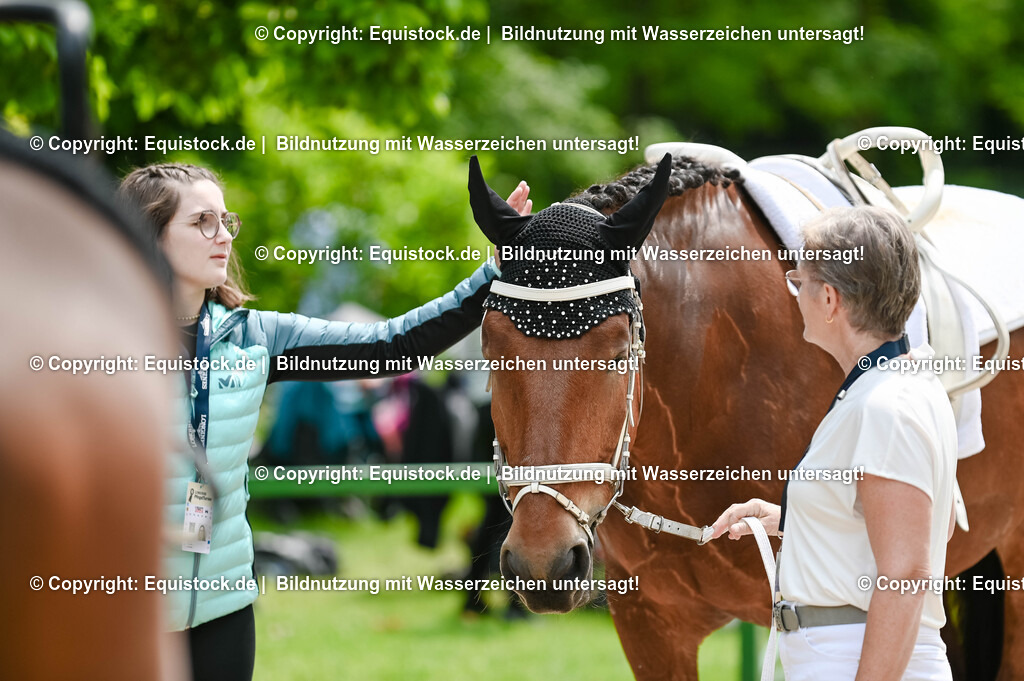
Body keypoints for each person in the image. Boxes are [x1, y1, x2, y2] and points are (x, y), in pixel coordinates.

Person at [117, 162, 531, 681]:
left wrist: (493, 272)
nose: (223, 236)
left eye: (226, 221)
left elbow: (391, 345)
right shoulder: (96, 343)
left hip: (223, 607)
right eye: (202, 221)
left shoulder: (254, 337)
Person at [710, 206, 957, 680]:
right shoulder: (906, 385)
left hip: (855, 658)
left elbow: (906, 573)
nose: (795, 293)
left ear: (828, 299)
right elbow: (931, 526)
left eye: (798, 282)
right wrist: (797, 519)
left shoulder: (884, 406)